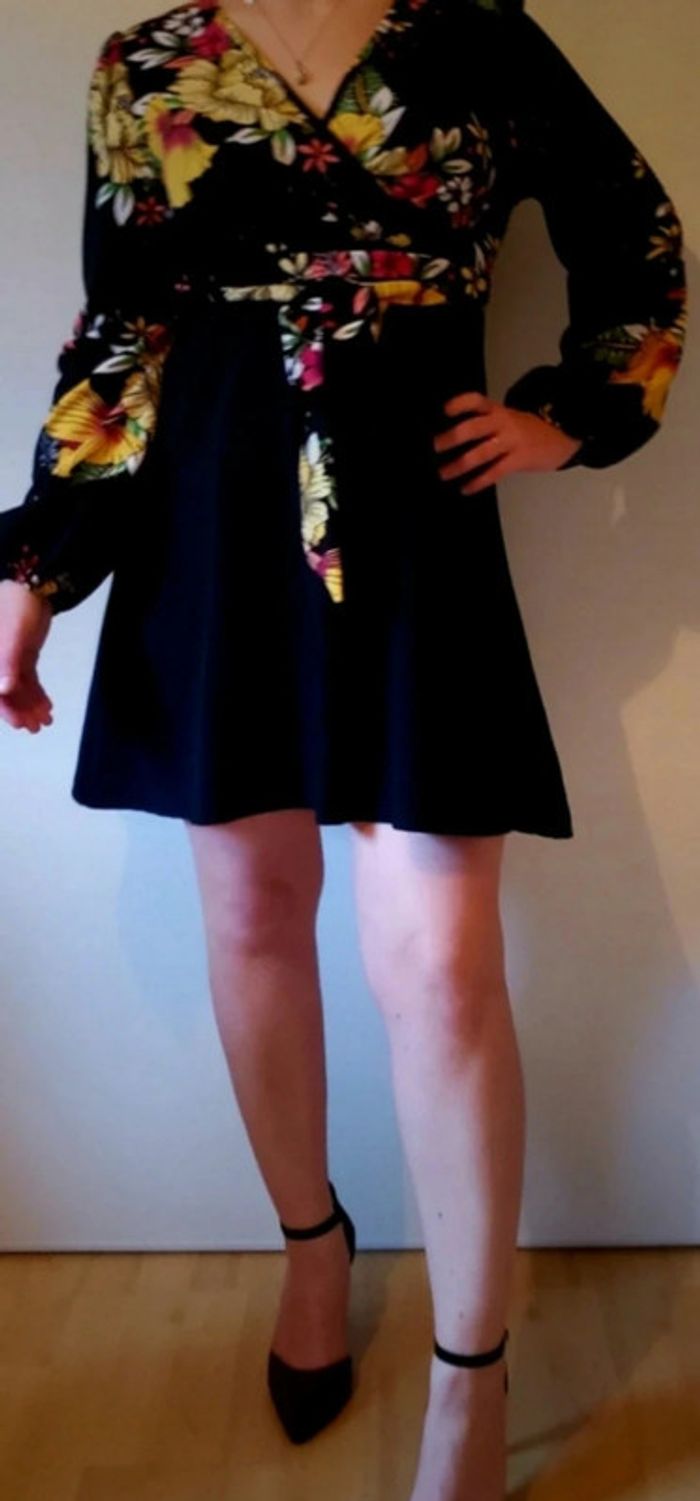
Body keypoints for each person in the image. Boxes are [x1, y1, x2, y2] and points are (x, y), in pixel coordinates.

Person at [0, 0, 687, 1495]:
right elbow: (120, 331)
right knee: (252, 917)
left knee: (441, 968)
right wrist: (39, 568)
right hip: (209, 527)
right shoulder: (150, 64)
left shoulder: (480, 38)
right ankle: (313, 1243)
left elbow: (636, 239)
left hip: (419, 534)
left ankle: (469, 1373)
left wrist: (574, 412)